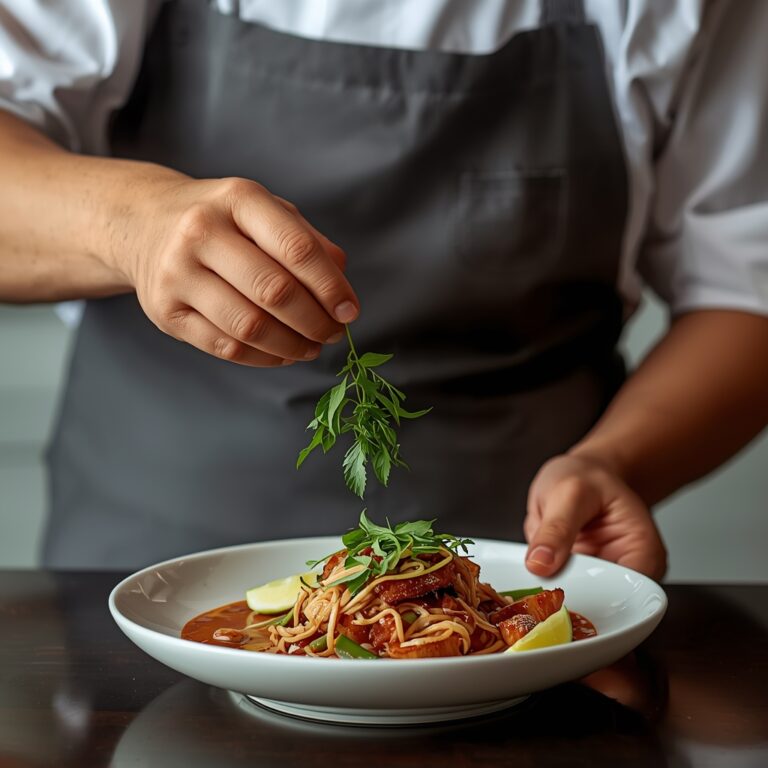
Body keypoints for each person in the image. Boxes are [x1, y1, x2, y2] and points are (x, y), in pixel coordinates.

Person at [0, 0, 766, 577]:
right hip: (147, 568)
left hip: (515, 578)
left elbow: (746, 285)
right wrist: (131, 223)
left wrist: (615, 463)